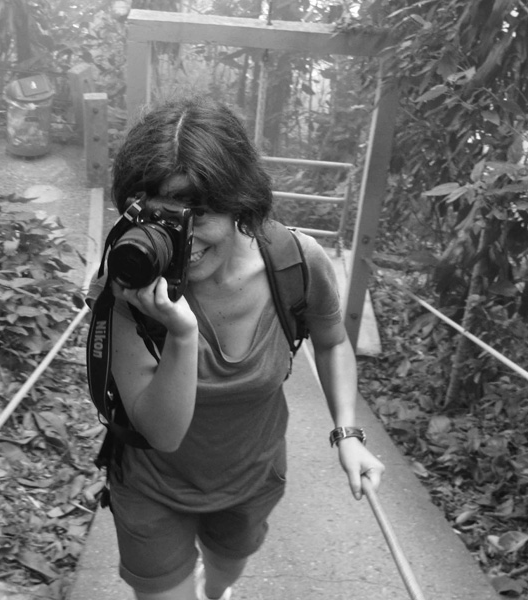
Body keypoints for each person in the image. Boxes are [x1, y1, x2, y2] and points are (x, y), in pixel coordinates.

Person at [90, 96, 385, 600]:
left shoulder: (294, 262)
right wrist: (180, 334)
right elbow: (161, 432)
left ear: (240, 204)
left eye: (197, 216)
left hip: (251, 480)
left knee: (224, 575)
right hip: (152, 485)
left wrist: (348, 433)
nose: (179, 238)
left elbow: (334, 343)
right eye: (157, 215)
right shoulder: (128, 282)